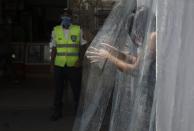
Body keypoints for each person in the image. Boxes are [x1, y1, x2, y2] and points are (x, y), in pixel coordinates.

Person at [50, 8, 87, 121]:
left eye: (68, 16)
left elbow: (82, 46)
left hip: (74, 66)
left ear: (71, 18)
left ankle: (78, 112)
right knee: (58, 90)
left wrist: (80, 60)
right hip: (59, 66)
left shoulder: (78, 30)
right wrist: (51, 64)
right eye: (64, 15)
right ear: (61, 17)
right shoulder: (55, 30)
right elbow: (53, 48)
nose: (66, 18)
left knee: (77, 90)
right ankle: (57, 112)